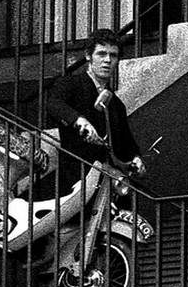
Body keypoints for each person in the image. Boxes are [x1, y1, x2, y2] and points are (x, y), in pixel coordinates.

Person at [43, 29, 147, 187]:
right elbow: (54, 104)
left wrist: (136, 158)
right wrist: (79, 120)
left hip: (108, 181)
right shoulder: (70, 84)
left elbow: (126, 141)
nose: (107, 60)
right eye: (101, 54)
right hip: (76, 178)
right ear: (88, 56)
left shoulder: (117, 104)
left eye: (113, 55)